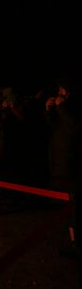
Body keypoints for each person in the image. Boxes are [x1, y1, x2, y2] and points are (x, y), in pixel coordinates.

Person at [45, 75, 81, 260]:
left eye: (61, 91)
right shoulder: (66, 109)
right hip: (64, 166)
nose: (58, 94)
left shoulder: (74, 108)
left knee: (75, 209)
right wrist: (50, 110)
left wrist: (61, 107)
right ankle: (74, 243)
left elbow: (73, 124)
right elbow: (57, 128)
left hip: (74, 166)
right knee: (70, 209)